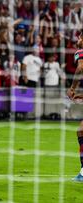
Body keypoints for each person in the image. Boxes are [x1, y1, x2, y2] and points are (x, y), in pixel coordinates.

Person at [67, 31, 83, 182]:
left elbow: (80, 68)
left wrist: (72, 88)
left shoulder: (81, 51)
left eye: (79, 37)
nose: (77, 40)